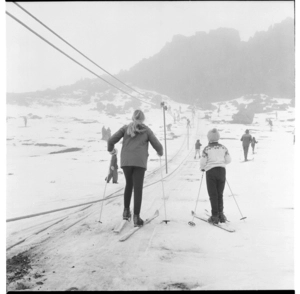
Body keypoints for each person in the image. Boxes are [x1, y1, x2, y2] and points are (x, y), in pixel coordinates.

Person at [107, 109, 163, 227]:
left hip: (126, 162)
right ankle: (136, 218)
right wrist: (160, 153)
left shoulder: (125, 128)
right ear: (143, 119)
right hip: (139, 163)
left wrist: (112, 150)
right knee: (138, 189)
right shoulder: (147, 130)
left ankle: (126, 212)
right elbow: (158, 146)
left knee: (129, 185)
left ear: (133, 118)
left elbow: (111, 140)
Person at [200, 128, 231, 224]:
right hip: (222, 171)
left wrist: (202, 168)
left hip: (211, 172)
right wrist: (221, 163)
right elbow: (228, 160)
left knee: (213, 194)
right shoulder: (223, 148)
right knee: (220, 194)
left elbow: (203, 162)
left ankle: (214, 216)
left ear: (209, 138)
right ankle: (221, 215)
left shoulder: (207, 149)